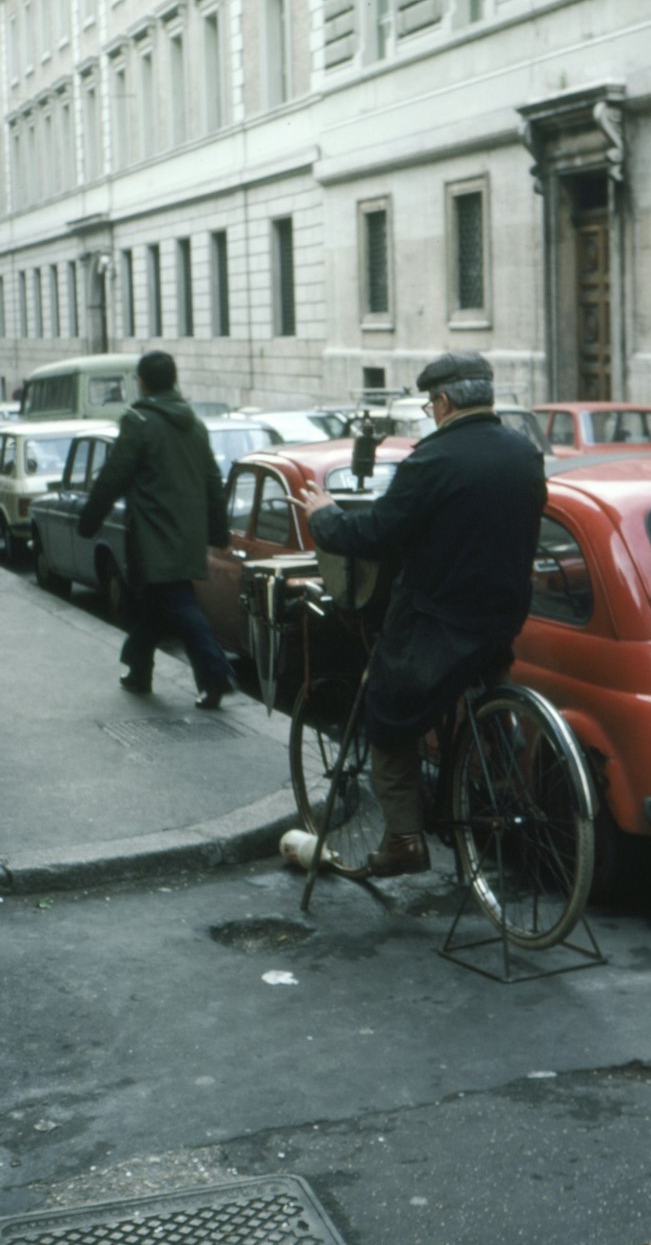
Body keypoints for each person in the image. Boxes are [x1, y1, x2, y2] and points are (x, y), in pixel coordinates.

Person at [294, 352, 547, 877]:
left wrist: (325, 517)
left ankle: (405, 840)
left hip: (439, 623)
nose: (431, 414)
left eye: (432, 404)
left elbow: (376, 533)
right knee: (482, 684)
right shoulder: (525, 453)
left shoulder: (433, 461)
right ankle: (498, 768)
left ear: (444, 401)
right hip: (500, 616)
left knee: (387, 713)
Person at [77, 349, 234, 710]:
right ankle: (138, 670)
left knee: (179, 604)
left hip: (152, 536)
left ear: (142, 382)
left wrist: (90, 519)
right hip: (186, 534)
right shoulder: (195, 424)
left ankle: (216, 675)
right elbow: (212, 479)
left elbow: (114, 475)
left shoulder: (139, 421)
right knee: (149, 607)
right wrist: (218, 531)